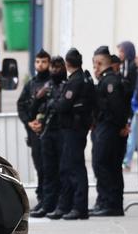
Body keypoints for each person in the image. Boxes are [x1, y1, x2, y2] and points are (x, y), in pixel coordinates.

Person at [47, 48, 93, 220]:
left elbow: (63, 105)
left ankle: (79, 207)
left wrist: (54, 102)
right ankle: (66, 205)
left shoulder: (76, 81)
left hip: (74, 129)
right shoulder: (80, 79)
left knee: (75, 168)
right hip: (72, 129)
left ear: (67, 64)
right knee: (66, 168)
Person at [89, 47, 131, 216]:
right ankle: (105, 202)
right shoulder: (106, 80)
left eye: (95, 64)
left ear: (99, 63)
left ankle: (110, 204)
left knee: (104, 165)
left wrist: (121, 126)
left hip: (110, 129)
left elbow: (116, 107)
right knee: (106, 165)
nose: (94, 68)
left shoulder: (110, 82)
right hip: (107, 128)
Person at [30, 56, 67, 218]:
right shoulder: (47, 86)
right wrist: (39, 96)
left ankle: (61, 203)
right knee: (47, 171)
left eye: (58, 67)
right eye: (53, 67)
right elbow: (31, 108)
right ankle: (47, 203)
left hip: (62, 132)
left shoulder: (66, 85)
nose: (54, 70)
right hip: (47, 132)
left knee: (62, 171)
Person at [16, 49, 52, 211]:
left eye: (44, 61)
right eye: (38, 61)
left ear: (49, 63)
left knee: (49, 167)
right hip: (34, 133)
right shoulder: (31, 84)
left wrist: (43, 123)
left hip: (49, 132)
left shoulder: (52, 83)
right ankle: (42, 198)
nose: (40, 65)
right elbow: (21, 105)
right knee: (39, 167)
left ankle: (50, 199)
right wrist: (29, 123)